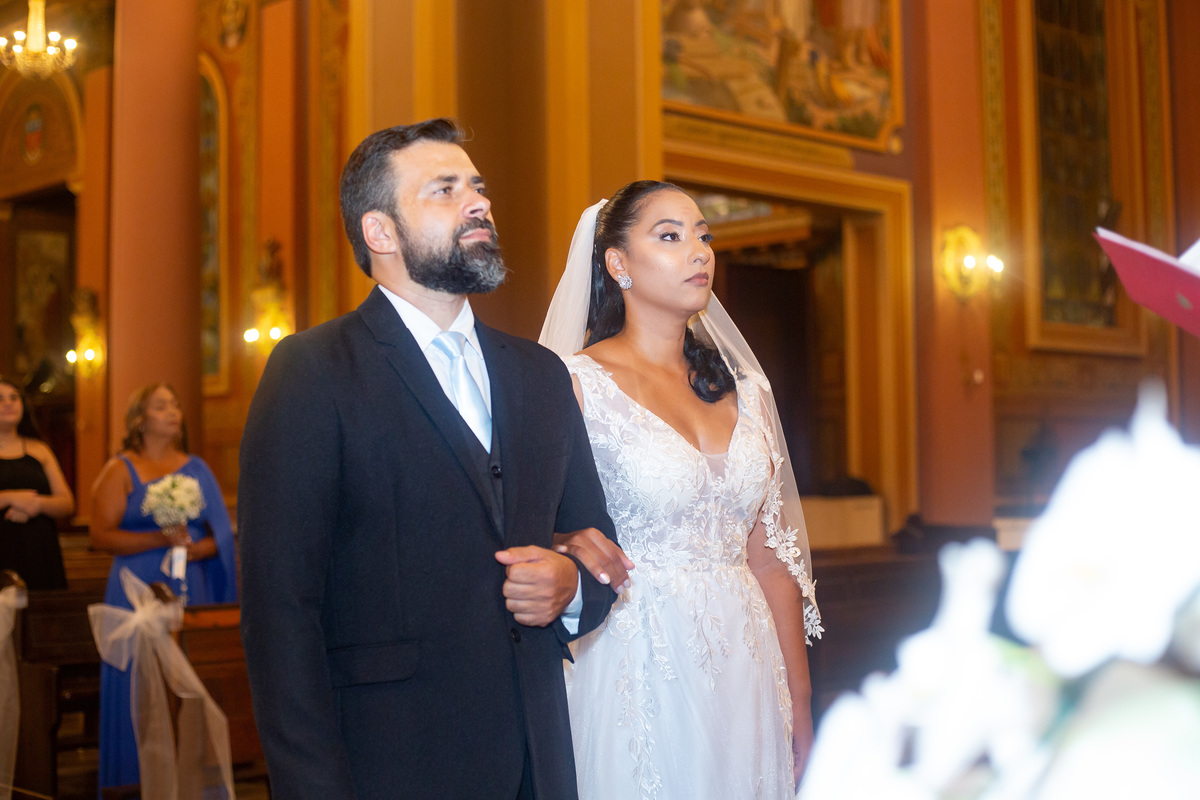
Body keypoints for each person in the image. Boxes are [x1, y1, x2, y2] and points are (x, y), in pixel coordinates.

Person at [238, 118, 622, 800]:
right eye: (444, 190)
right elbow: (280, 614)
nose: (479, 203)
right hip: (390, 763)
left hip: (534, 763)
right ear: (380, 232)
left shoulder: (539, 375)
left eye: (477, 187)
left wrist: (569, 586)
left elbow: (598, 553)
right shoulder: (313, 372)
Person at [540, 181, 824, 799]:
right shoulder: (574, 385)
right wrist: (566, 546)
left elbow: (770, 561)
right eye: (669, 236)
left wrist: (798, 700)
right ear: (618, 263)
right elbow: (537, 528)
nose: (699, 252)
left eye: (704, 235)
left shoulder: (749, 393)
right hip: (634, 655)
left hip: (747, 663)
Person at [90, 382, 237, 794]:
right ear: (140, 420)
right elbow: (100, 535)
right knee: (139, 683)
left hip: (191, 585)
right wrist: (160, 538)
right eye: (161, 406)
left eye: (175, 405)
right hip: (136, 587)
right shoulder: (120, 469)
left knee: (192, 681)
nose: (173, 412)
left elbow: (222, 535)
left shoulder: (197, 468)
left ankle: (195, 785)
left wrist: (195, 549)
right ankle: (134, 783)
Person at [0, 377, 73, 590]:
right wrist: (10, 498)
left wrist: (36, 504)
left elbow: (67, 503)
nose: (8, 403)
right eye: (0, 398)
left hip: (39, 551)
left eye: (14, 398)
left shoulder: (40, 449)